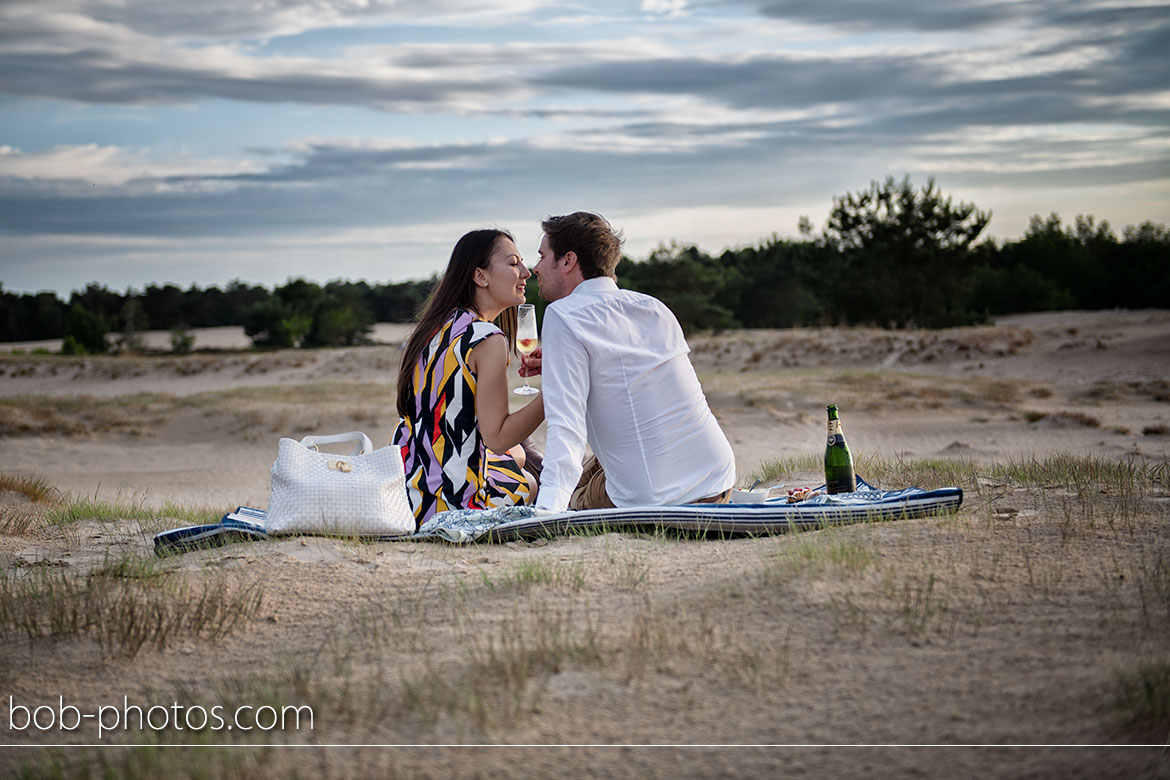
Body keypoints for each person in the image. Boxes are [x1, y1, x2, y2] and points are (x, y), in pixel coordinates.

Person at [523, 211, 736, 511]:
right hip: (716, 479)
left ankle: (536, 470)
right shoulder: (654, 307)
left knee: (573, 490)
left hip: (652, 497)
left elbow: (566, 427)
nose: (534, 268)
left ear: (568, 261)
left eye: (542, 256)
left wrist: (546, 513)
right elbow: (638, 381)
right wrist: (561, 363)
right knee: (599, 462)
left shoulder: (564, 315)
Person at [393, 228, 544, 526]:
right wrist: (556, 391)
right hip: (454, 503)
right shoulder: (486, 339)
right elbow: (497, 438)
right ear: (480, 276)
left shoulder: (435, 328)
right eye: (514, 263)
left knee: (519, 453)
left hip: (408, 489)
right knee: (529, 481)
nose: (526, 272)